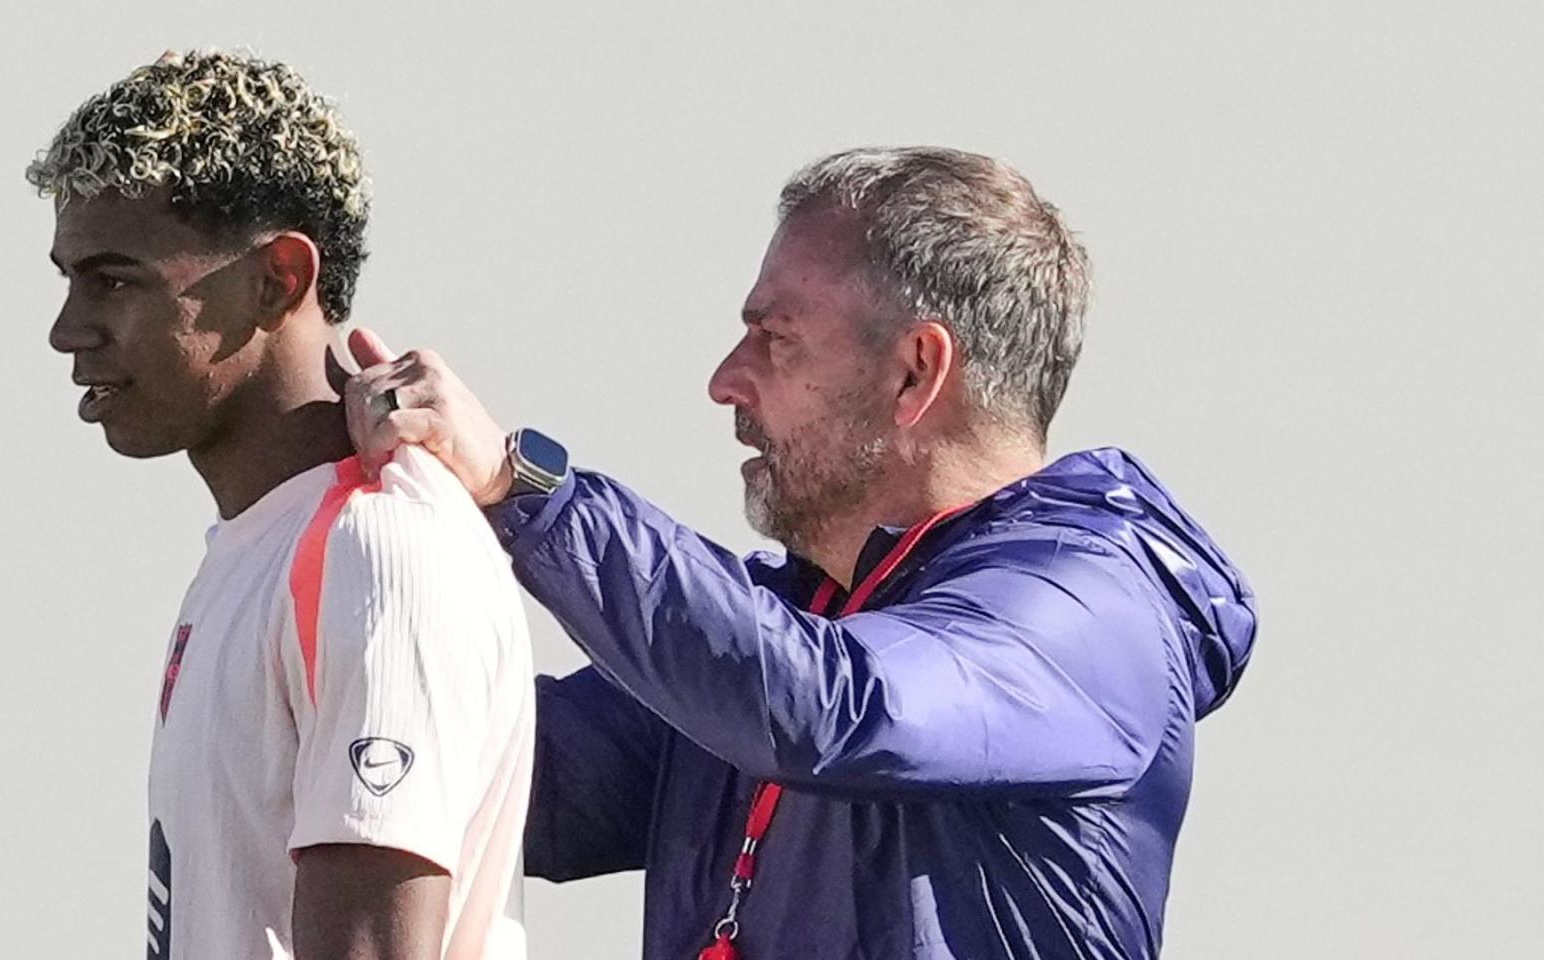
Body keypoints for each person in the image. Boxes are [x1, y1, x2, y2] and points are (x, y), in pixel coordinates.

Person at [343, 147, 1258, 959]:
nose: (724, 381)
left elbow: (833, 709)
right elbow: (484, 779)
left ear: (915, 372)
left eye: (775, 339)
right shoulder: (786, 632)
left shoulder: (1091, 612)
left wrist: (524, 487)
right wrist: (315, 474)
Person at [29, 50, 533, 960]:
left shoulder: (378, 551)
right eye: (67, 278)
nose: (68, 329)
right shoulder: (268, 539)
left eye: (114, 279)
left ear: (278, 280)